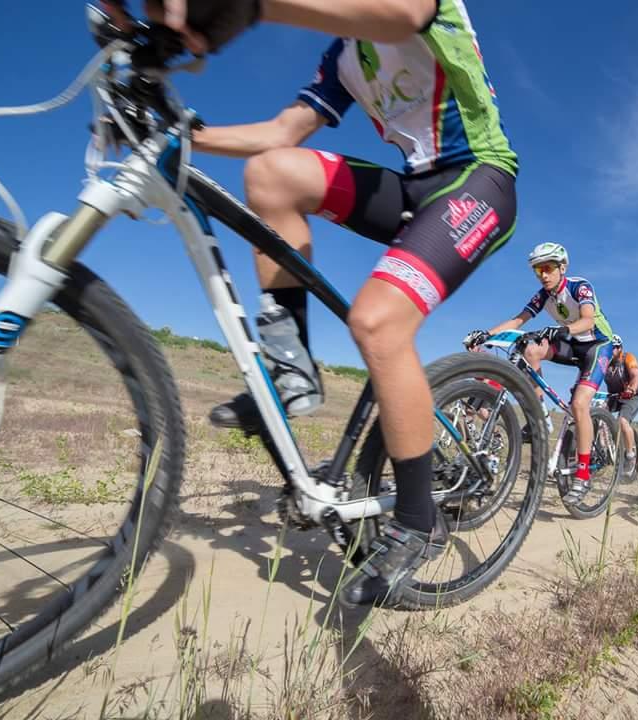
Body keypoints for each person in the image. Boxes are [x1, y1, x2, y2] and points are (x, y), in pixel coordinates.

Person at [104, 0, 519, 607]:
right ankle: (291, 364)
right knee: (272, 173)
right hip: (412, 186)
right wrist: (181, 135)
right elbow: (278, 133)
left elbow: (403, 16)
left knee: (376, 323)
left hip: (480, 179)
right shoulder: (343, 53)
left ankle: (417, 516)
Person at [466, 243, 615, 503]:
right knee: (531, 351)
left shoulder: (579, 286)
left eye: (547, 268)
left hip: (597, 345)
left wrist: (562, 330)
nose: (543, 275)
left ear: (562, 268)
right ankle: (541, 416)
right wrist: (486, 334)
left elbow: (588, 320)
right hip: (571, 343)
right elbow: (518, 320)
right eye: (538, 271)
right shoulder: (543, 295)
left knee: (580, 405)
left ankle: (582, 476)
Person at [604, 335, 638, 468]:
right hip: (613, 396)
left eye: (615, 347)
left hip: (631, 397)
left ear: (620, 348)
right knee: (597, 415)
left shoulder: (628, 358)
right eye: (609, 348)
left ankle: (630, 456)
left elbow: (635, 376)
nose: (612, 350)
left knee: (622, 421)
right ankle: (603, 449)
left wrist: (631, 389)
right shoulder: (604, 362)